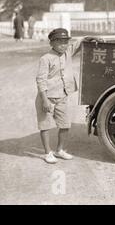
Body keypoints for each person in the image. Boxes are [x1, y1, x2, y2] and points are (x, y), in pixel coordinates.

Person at [35, 28, 103, 163]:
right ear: (51, 43)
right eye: (59, 42)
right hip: (47, 98)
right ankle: (48, 152)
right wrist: (44, 100)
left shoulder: (67, 53)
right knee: (45, 126)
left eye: (65, 42)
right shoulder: (45, 59)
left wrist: (92, 37)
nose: (63, 45)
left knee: (65, 124)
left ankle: (60, 150)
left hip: (62, 96)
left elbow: (79, 42)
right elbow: (40, 80)